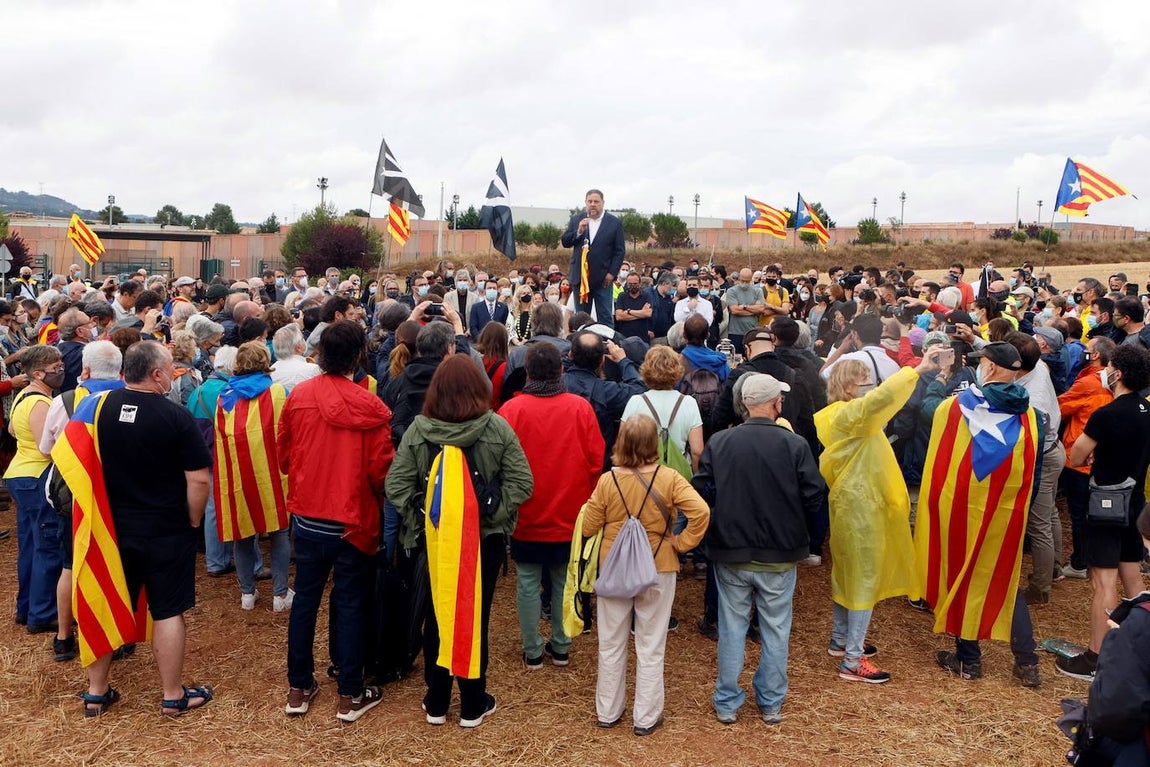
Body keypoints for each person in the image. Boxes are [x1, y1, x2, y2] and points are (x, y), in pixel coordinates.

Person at [59, 341, 213, 717]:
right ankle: (172, 695)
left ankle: (96, 692)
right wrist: (193, 520)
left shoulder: (97, 409)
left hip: (110, 528)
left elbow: (68, 455)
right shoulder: (177, 417)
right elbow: (198, 481)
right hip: (165, 528)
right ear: (157, 374)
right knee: (168, 609)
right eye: (170, 368)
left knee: (104, 601)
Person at [385, 355, 533, 728]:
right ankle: (472, 701)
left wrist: (425, 515)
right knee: (473, 616)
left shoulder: (419, 431)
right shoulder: (496, 428)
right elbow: (521, 483)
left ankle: (436, 701)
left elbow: (397, 485)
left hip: (433, 543)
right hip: (484, 541)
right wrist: (490, 513)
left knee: (436, 617)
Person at [278, 321, 395, 722]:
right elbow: (382, 473)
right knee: (349, 602)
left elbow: (284, 457)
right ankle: (349, 692)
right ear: (359, 355)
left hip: (309, 516)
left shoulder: (300, 398)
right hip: (352, 520)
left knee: (306, 601)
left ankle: (299, 686)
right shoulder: (371, 407)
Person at [694, 374, 824, 724]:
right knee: (776, 629)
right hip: (780, 553)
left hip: (732, 550)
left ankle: (726, 701)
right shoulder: (794, 445)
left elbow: (701, 490)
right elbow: (814, 495)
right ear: (776, 403)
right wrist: (811, 541)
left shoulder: (721, 442)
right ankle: (770, 702)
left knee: (732, 627)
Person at [916, 342, 1042, 687]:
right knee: (1004, 576)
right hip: (1006, 512)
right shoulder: (1030, 414)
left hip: (962, 510)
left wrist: (940, 378)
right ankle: (1027, 662)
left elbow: (929, 412)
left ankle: (968, 659)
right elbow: (1036, 469)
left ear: (988, 368)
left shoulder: (957, 407)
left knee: (962, 574)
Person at [816, 350, 942, 684]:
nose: (870, 389)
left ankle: (841, 641)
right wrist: (917, 369)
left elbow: (876, 404)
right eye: (864, 383)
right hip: (862, 510)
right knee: (863, 579)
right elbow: (877, 403)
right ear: (847, 387)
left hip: (853, 507)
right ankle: (853, 661)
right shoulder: (851, 417)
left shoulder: (844, 417)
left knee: (848, 574)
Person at [582, 415, 709, 735]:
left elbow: (587, 527)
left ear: (621, 442)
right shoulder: (670, 479)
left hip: (614, 569)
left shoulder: (608, 481)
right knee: (651, 644)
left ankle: (608, 711)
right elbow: (701, 512)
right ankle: (646, 717)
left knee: (610, 643)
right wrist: (681, 544)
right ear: (654, 443)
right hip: (658, 566)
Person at [499, 344, 603, 670]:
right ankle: (560, 645)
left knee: (528, 581)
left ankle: (533, 650)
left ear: (527, 372)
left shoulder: (512, 411)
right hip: (568, 512)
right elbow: (595, 461)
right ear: (561, 370)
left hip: (526, 512)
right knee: (562, 580)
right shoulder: (579, 408)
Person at [1056, 345, 1150, 682]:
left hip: (1106, 506)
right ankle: (1138, 649)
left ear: (1119, 373)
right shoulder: (1146, 410)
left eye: (1109, 367)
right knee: (1134, 580)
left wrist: (1096, 456)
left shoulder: (1106, 414)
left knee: (1103, 582)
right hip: (1135, 504)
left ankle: (1097, 657)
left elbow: (1077, 456)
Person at [38, 341, 125, 662]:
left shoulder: (64, 402)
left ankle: (63, 636)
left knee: (69, 565)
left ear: (84, 370)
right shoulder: (130, 399)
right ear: (120, 370)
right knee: (115, 564)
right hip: (119, 497)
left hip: (73, 495)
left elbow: (48, 450)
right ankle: (112, 636)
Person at [213, 342, 293, 612]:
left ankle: (248, 592)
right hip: (272, 473)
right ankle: (280, 594)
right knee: (280, 531)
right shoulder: (278, 392)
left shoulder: (224, 397)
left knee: (243, 533)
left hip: (238, 475)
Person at [5, 345, 65, 635]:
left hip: (20, 473)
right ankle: (42, 612)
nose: (61, 370)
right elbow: (47, 447)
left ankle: (27, 606)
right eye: (56, 366)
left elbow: (12, 432)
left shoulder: (22, 397)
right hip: (37, 476)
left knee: (30, 544)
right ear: (38, 372)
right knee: (47, 545)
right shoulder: (40, 402)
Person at [1057, 336, 1117, 579]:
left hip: (1079, 456)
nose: (1082, 352)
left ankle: (1080, 561)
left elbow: (1060, 408)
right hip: (1104, 457)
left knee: (1079, 513)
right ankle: (1096, 557)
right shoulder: (1114, 381)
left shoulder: (1089, 383)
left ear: (1096, 356)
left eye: (1087, 349)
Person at [564, 330, 647, 469]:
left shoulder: (557, 382)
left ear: (571, 355)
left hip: (565, 460)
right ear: (602, 360)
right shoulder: (607, 392)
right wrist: (623, 361)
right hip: (598, 465)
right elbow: (638, 388)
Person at [561, 189, 626, 326]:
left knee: (605, 317)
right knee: (581, 318)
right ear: (585, 203)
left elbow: (619, 251)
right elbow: (565, 242)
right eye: (589, 201)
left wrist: (612, 273)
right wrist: (578, 231)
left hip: (603, 279)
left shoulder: (614, 223)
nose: (593, 204)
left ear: (603, 203)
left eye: (596, 201)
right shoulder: (576, 219)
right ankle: (581, 345)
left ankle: (607, 345)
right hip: (581, 278)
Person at [270, 325, 320, 392]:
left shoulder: (270, 372)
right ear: (298, 347)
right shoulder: (313, 370)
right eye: (302, 339)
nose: (304, 341)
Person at [614, 271, 653, 342]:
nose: (632, 286)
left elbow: (648, 313)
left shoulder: (646, 296)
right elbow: (619, 316)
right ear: (626, 283)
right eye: (630, 284)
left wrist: (629, 311)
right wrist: (641, 313)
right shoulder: (622, 296)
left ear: (640, 284)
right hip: (624, 338)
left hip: (642, 339)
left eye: (635, 284)